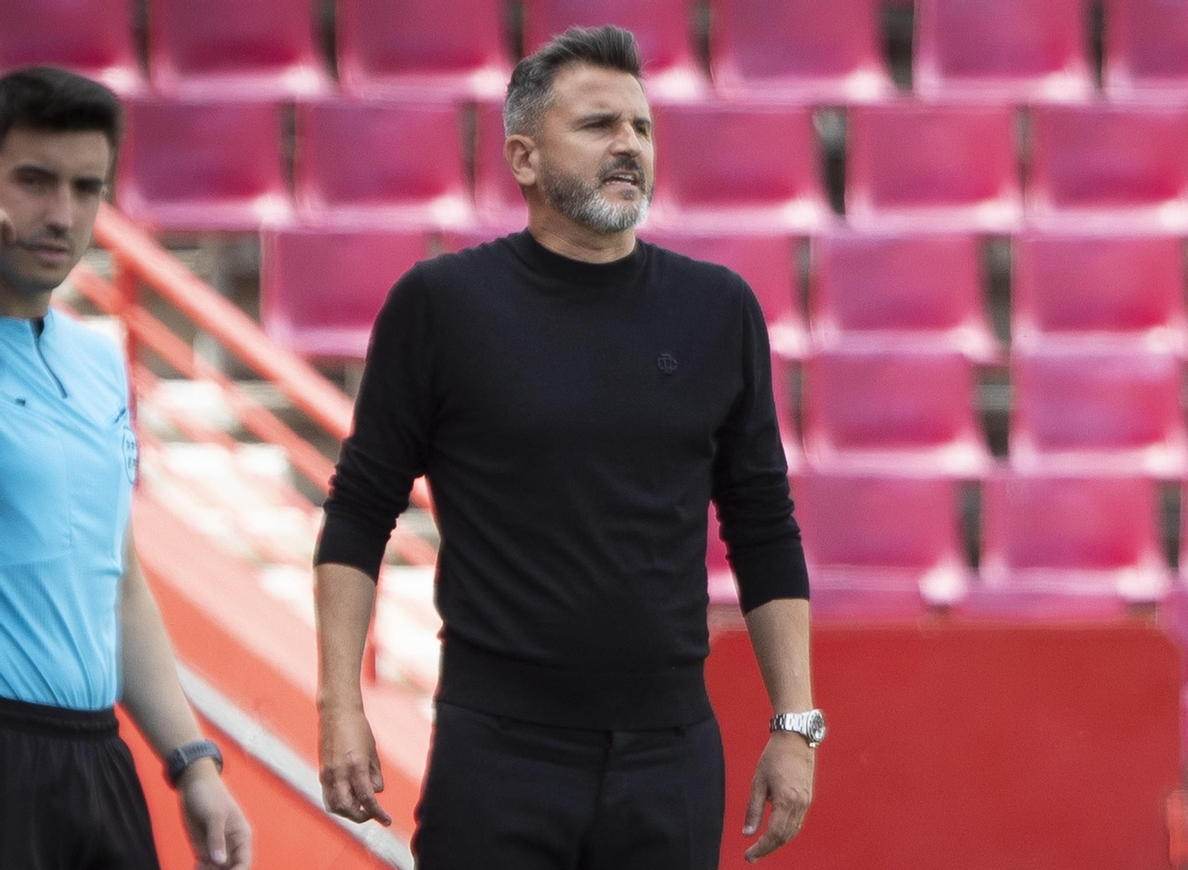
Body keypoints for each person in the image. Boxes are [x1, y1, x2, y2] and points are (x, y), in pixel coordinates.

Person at [313, 25, 821, 870]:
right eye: (598, 125)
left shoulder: (718, 309)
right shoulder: (441, 305)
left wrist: (795, 723)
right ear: (523, 158)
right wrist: (339, 705)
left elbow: (764, 528)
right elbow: (359, 513)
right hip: (498, 750)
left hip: (671, 752)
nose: (629, 144)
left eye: (643, 127)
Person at [0, 66, 252, 870]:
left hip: (95, 761)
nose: (62, 214)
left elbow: (117, 580)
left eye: (86, 186)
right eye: (34, 181)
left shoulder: (101, 361)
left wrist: (192, 761)